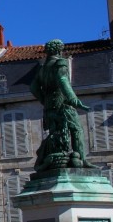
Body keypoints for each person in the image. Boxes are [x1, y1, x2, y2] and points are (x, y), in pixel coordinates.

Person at [30, 38, 96, 170]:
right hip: (63, 105)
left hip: (49, 108)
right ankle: (81, 160)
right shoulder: (60, 63)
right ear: (59, 50)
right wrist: (74, 99)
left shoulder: (43, 69)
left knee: (57, 134)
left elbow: (33, 88)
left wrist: (44, 100)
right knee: (77, 129)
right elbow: (62, 80)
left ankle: (57, 161)